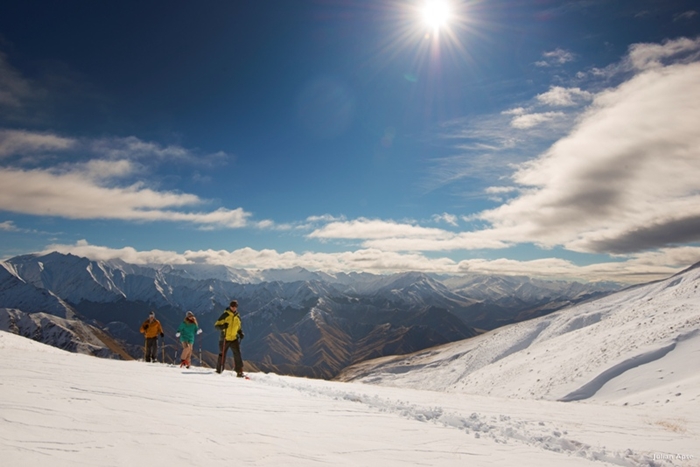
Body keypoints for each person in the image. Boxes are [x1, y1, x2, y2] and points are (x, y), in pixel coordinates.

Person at [214, 300, 245, 376]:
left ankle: (239, 371)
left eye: (235, 307)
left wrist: (240, 333)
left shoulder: (238, 317)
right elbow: (216, 325)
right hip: (225, 338)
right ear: (230, 306)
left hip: (234, 338)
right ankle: (219, 370)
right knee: (222, 354)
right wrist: (222, 326)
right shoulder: (225, 315)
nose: (234, 308)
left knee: (237, 354)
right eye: (232, 306)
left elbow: (238, 328)